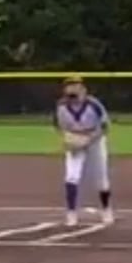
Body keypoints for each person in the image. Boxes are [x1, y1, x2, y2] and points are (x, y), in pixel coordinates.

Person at [53, 76, 113, 229]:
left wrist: (89, 139)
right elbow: (58, 126)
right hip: (75, 141)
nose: (72, 88)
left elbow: (105, 126)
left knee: (101, 178)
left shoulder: (93, 104)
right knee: (71, 176)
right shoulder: (61, 106)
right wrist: (67, 139)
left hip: (95, 142)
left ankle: (106, 209)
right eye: (69, 86)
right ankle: (71, 213)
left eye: (75, 85)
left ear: (83, 89)